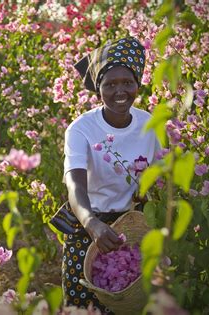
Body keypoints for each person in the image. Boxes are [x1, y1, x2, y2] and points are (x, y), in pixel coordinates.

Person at [61, 37, 160, 313]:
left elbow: (160, 176)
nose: (120, 91)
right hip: (88, 228)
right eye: (110, 84)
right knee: (83, 305)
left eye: (127, 83)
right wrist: (92, 223)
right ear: (98, 89)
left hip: (133, 229)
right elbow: (74, 185)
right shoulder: (81, 129)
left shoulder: (150, 125)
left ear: (138, 84)